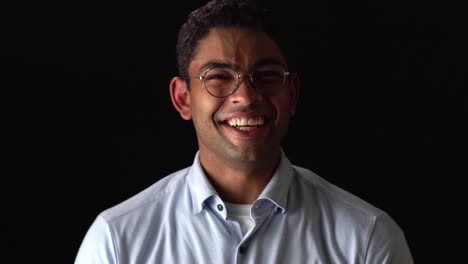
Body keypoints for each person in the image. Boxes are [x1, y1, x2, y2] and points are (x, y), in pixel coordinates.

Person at [75, 0, 414, 263]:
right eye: (219, 76)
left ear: (292, 93)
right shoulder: (117, 241)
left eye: (265, 75)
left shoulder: (368, 239)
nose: (247, 96)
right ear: (183, 99)